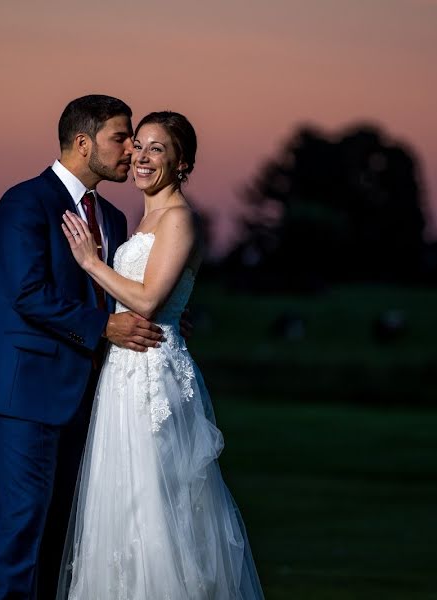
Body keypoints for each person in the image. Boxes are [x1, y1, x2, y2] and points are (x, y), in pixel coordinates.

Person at [0, 95, 169, 599]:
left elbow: (116, 292)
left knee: (65, 528)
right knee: (23, 523)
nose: (131, 150)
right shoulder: (25, 201)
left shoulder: (115, 219)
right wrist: (105, 327)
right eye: (121, 138)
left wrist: (157, 311)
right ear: (83, 143)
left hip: (90, 395)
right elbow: (27, 293)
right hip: (26, 391)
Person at [57, 111, 264, 599]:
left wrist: (89, 262)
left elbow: (148, 301)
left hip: (153, 373)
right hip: (122, 369)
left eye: (158, 149)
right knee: (122, 501)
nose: (142, 158)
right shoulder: (144, 217)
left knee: (156, 501)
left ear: (182, 162)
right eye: (139, 146)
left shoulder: (178, 218)